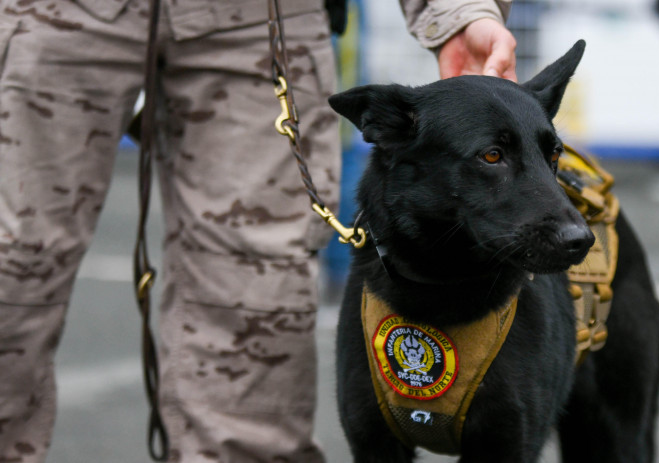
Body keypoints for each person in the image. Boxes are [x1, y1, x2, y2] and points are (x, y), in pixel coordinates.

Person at [0, 0, 517, 461]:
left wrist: (456, 11)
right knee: (10, 271)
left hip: (258, 21)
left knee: (254, 303)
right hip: (56, 15)